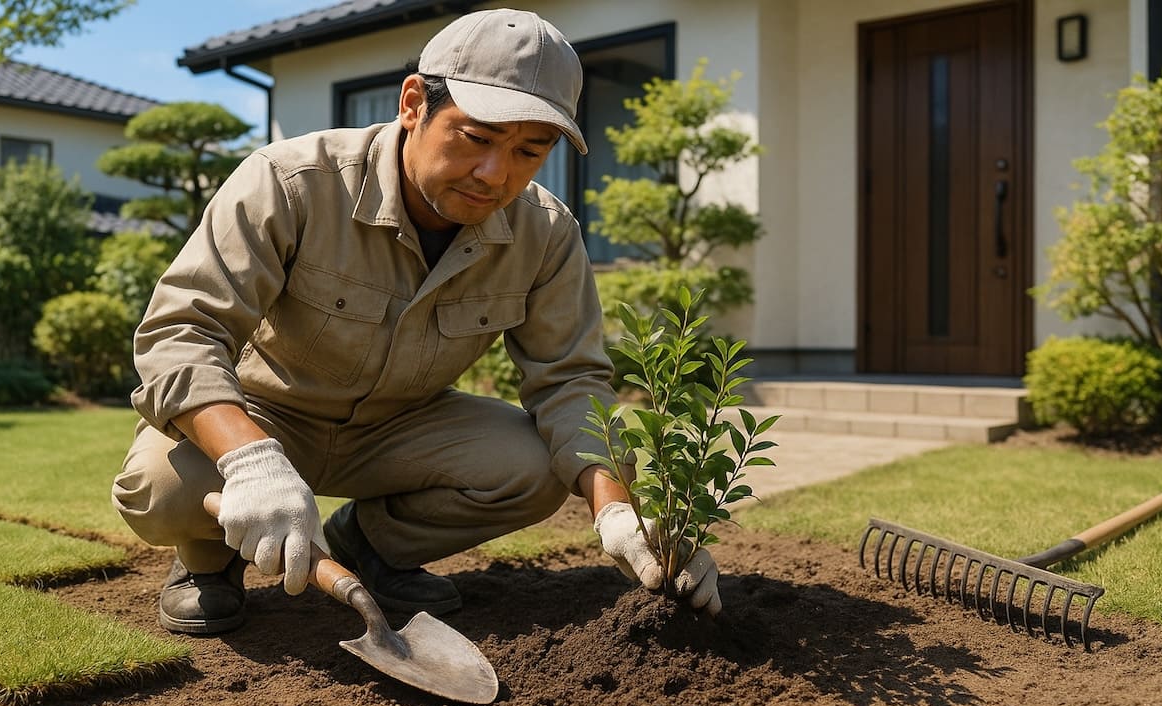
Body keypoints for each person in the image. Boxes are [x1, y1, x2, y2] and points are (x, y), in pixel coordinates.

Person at [112, 8, 720, 635]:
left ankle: (370, 548)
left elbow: (571, 382)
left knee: (533, 468)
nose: (496, 174)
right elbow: (182, 330)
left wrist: (620, 514)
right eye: (477, 138)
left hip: (400, 430)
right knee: (161, 487)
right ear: (413, 104)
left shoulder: (546, 234)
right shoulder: (291, 182)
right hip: (267, 412)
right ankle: (209, 562)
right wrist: (250, 462)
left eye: (528, 151)